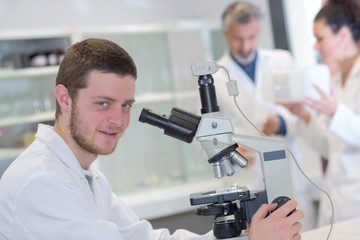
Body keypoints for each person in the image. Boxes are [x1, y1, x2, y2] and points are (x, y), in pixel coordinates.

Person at [0, 38, 303, 239]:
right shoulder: (41, 182)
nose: (118, 121)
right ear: (64, 99)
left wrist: (243, 235)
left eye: (126, 106)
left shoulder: (83, 175)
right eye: (103, 103)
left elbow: (143, 238)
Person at [213, 1, 311, 229]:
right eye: (238, 39)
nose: (246, 46)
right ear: (226, 34)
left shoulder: (282, 61)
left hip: (286, 170)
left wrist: (281, 123)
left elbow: (304, 117)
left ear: (259, 32)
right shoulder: (215, 76)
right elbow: (205, 135)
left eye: (252, 37)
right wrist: (228, 150)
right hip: (245, 175)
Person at [285, 0, 360, 227]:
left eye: (320, 38)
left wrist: (335, 111)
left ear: (343, 35)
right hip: (338, 203)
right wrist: (305, 117)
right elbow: (332, 148)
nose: (316, 46)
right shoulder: (337, 81)